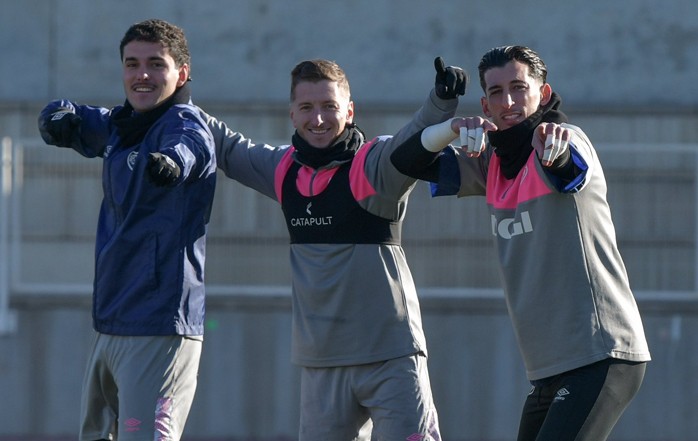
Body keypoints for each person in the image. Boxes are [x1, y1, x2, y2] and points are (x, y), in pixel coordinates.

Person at [389, 45, 651, 441]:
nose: (508, 101)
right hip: (547, 370)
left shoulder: (563, 139)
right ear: (485, 104)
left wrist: (556, 155)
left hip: (601, 354)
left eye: (518, 87)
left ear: (543, 94)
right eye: (496, 92)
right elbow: (403, 162)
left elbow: (568, 168)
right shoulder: (491, 162)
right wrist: (447, 123)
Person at [204, 57, 466, 440]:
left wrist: (441, 102)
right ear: (292, 114)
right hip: (321, 365)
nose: (319, 119)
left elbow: (413, 139)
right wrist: (175, 93)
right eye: (307, 108)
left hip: (391, 358)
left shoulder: (372, 165)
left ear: (349, 110)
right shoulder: (282, 170)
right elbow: (227, 148)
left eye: (329, 106)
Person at [37, 19, 216, 441]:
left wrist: (171, 163)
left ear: (182, 74)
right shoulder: (122, 125)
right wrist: (56, 116)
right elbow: (75, 115)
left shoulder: (184, 125)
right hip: (112, 319)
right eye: (132, 64)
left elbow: (191, 147)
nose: (143, 75)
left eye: (156, 64)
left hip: (159, 323)